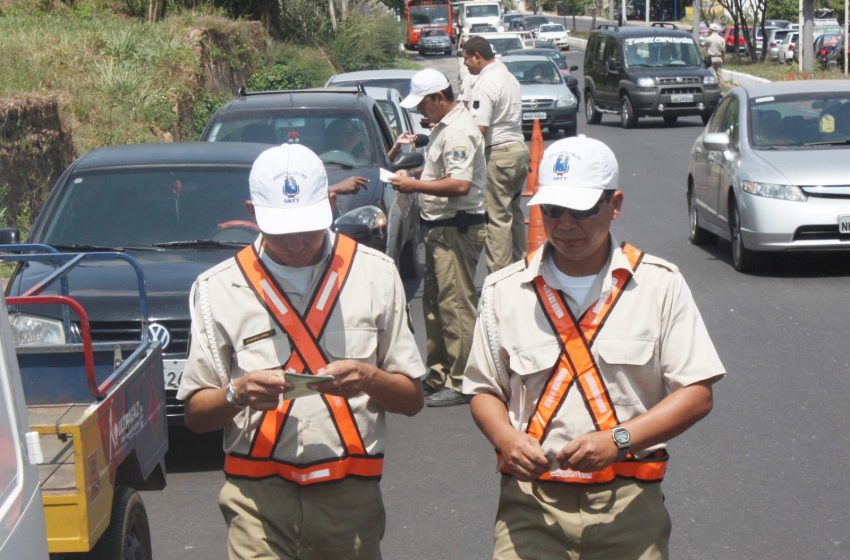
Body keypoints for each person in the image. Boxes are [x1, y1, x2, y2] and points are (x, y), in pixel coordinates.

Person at [463, 135, 725, 559]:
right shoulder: (503, 290)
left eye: (582, 210)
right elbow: (483, 389)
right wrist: (506, 438)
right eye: (552, 209)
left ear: (615, 204)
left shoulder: (658, 284)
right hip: (530, 506)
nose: (565, 224)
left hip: (629, 506)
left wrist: (619, 440)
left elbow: (697, 394)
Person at [177, 143, 426, 560]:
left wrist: (369, 378)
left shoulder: (375, 274)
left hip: (350, 492)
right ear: (252, 211)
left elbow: (412, 399)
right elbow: (197, 416)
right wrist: (236, 394)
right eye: (280, 230)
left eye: (308, 227)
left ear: (330, 202)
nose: (295, 243)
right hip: (256, 497)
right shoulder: (217, 288)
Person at [389, 69, 486, 407]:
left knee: (455, 304)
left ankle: (462, 380)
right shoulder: (444, 129)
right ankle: (439, 373)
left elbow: (459, 185)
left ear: (439, 98)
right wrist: (416, 176)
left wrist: (413, 185)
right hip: (441, 227)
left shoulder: (458, 131)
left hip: (457, 226)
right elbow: (441, 174)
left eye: (423, 105)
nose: (419, 113)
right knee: (435, 303)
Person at [463, 36, 530, 273]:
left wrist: (463, 161)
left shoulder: (486, 83)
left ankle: (500, 278)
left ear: (477, 57)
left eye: (466, 59)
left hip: (499, 153)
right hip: (519, 151)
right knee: (514, 212)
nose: (465, 65)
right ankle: (521, 266)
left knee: (497, 219)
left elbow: (479, 129)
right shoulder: (508, 77)